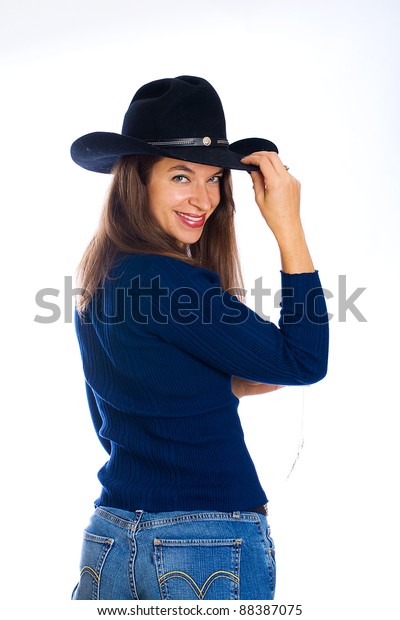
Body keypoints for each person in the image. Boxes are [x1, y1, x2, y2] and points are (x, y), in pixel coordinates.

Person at [70, 75, 329, 601]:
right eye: (182, 176)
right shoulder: (170, 280)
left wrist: (224, 384)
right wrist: (288, 227)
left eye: (214, 179)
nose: (204, 198)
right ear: (137, 180)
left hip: (112, 541)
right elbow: (304, 360)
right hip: (201, 546)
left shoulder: (104, 272)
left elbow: (133, 399)